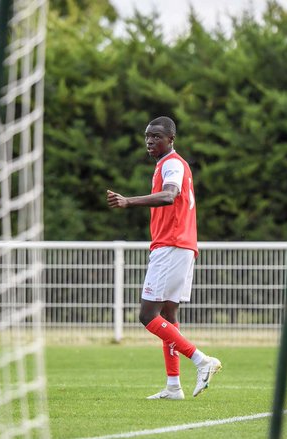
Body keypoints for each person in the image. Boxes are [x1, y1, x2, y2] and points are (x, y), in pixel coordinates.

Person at [107, 116, 222, 400]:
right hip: (181, 245)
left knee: (148, 316)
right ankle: (173, 386)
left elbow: (170, 196)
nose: (150, 141)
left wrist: (128, 201)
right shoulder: (168, 164)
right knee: (169, 316)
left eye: (156, 136)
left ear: (171, 139)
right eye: (147, 136)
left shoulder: (172, 163)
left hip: (171, 244)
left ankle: (201, 360)